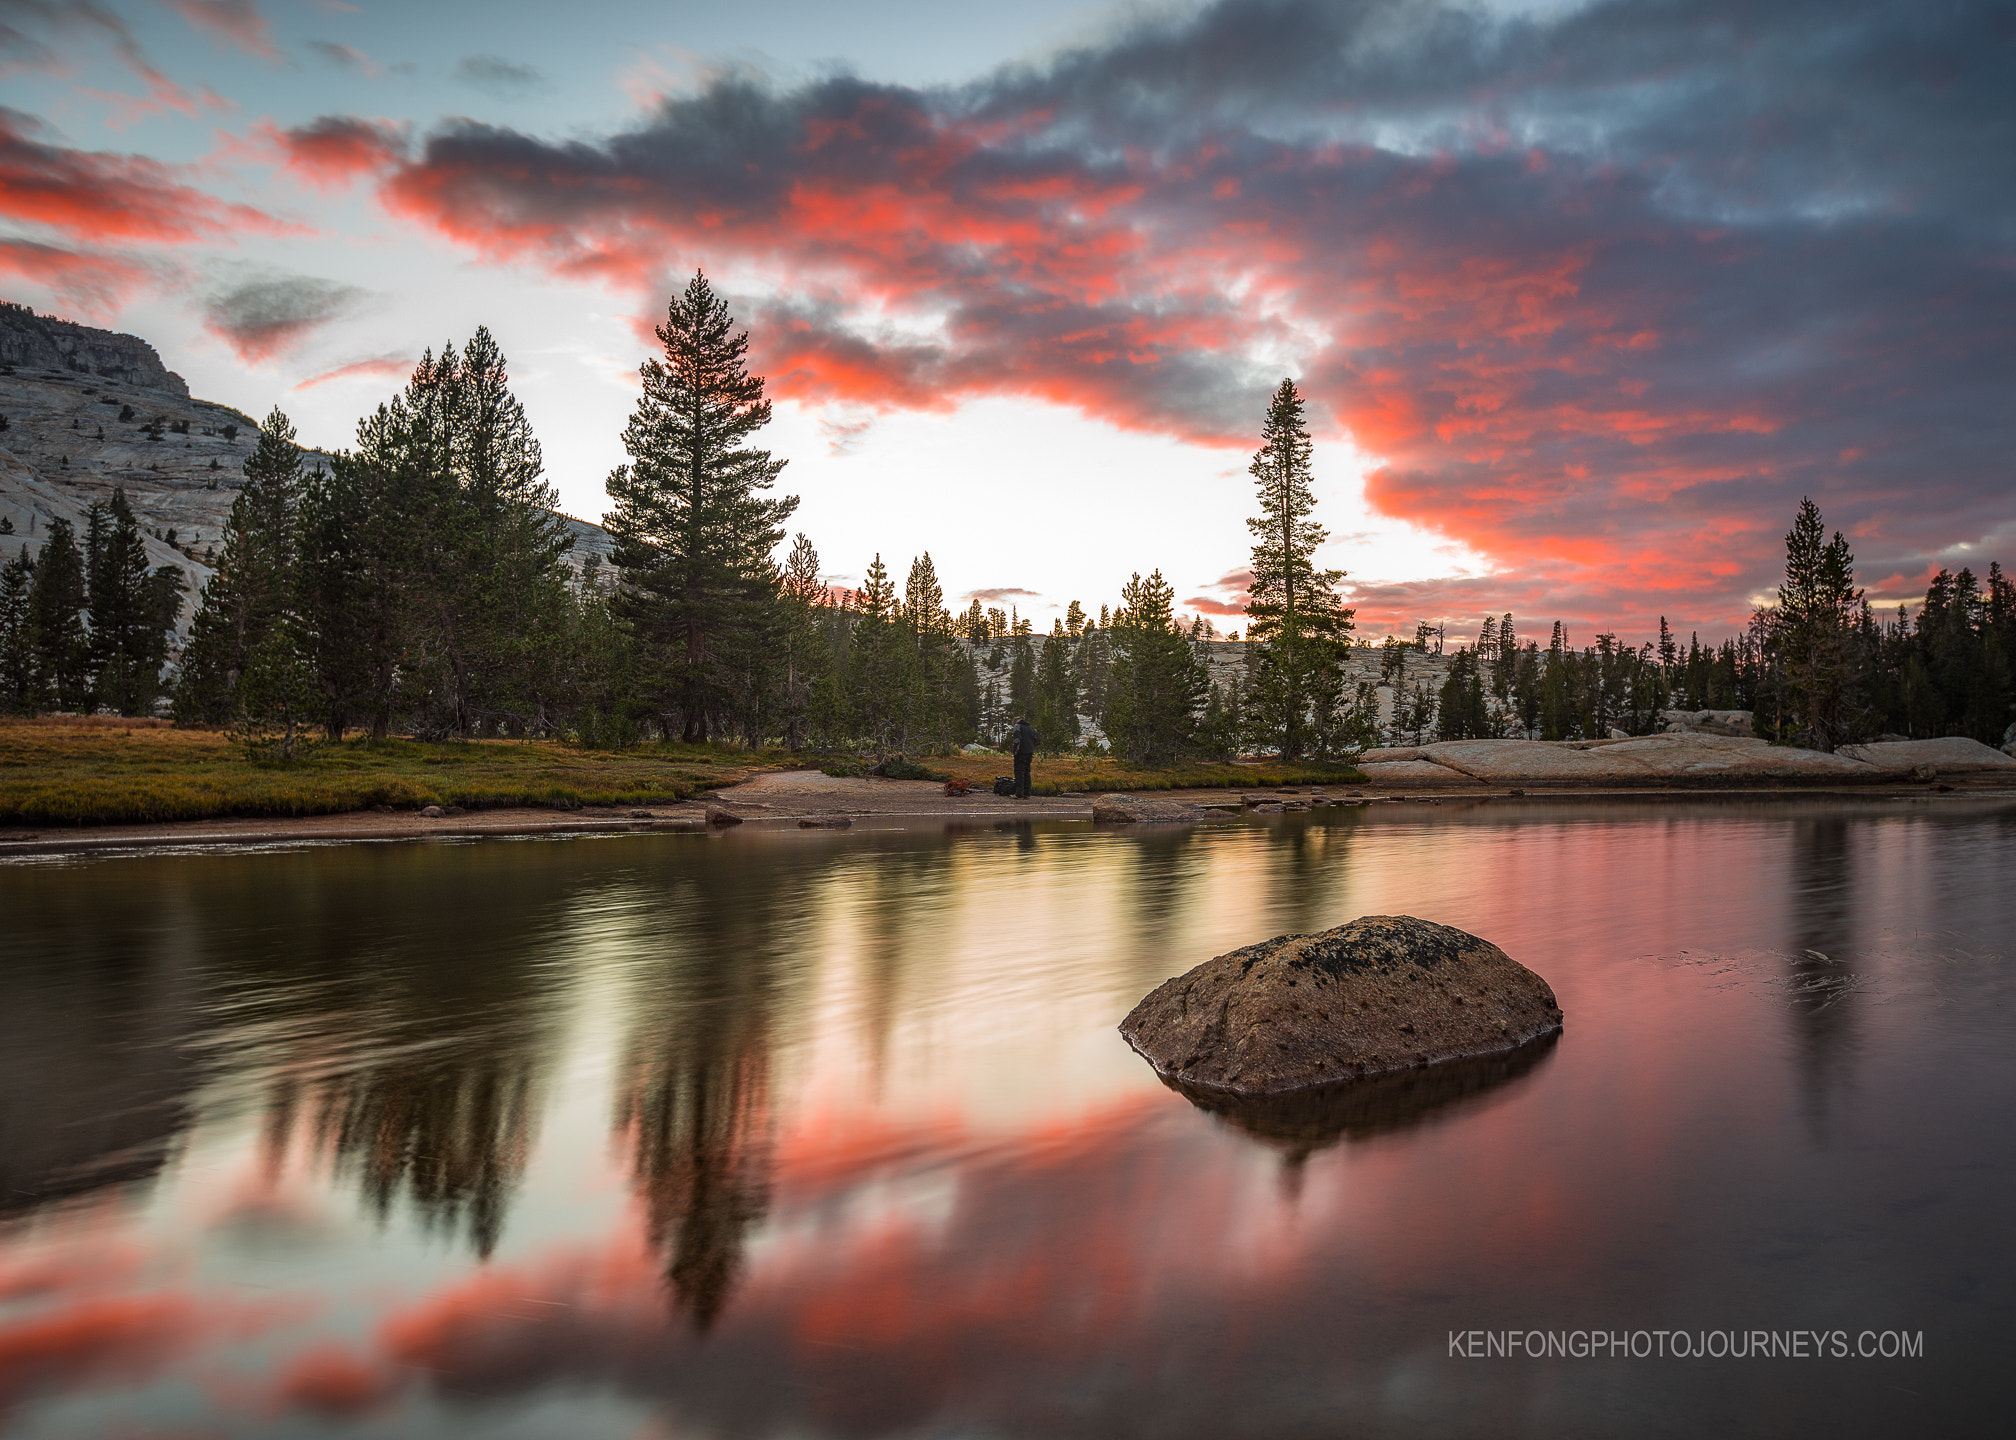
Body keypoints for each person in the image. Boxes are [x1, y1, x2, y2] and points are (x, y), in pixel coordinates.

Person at [1011, 714, 1039, 799]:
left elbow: (1017, 740)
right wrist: (1031, 746)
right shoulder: (1031, 727)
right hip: (1029, 751)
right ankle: (1027, 793)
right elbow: (1037, 739)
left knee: (1019, 772)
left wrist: (1015, 751)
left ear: (1015, 721)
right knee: (1027, 772)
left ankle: (1019, 793)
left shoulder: (1017, 726)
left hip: (1021, 752)